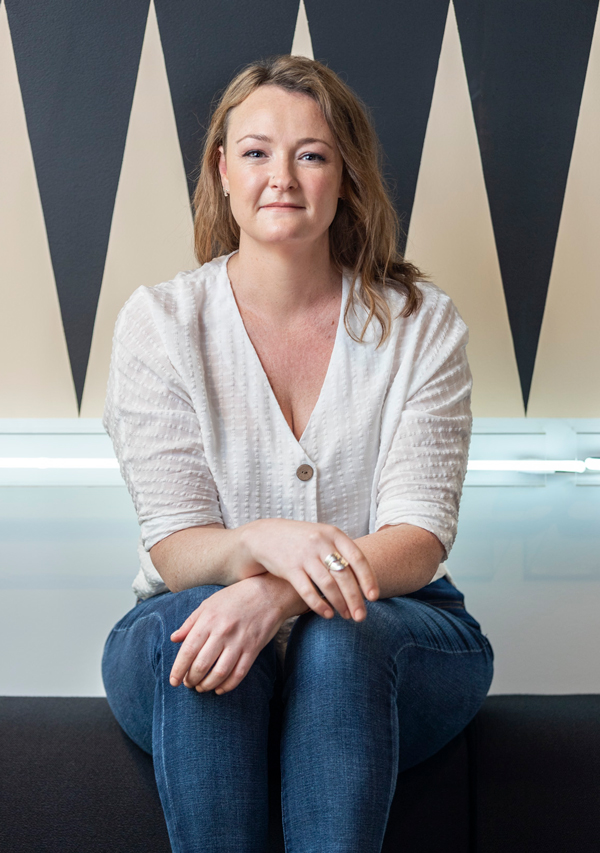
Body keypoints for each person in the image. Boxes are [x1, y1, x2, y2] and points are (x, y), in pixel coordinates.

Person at [101, 54, 494, 853]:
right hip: (181, 627)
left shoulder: (423, 326)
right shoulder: (160, 324)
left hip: (395, 635)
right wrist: (256, 546)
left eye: (311, 154)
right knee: (199, 624)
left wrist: (278, 596)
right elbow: (178, 549)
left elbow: (418, 536)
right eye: (254, 152)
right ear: (221, 170)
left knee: (341, 635)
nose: (281, 176)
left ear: (345, 174)